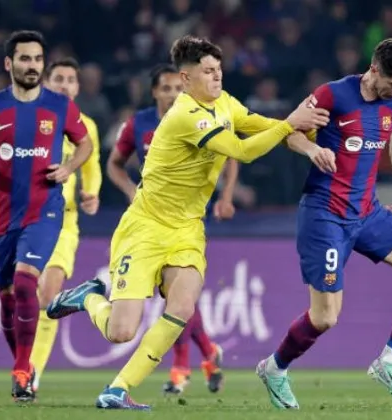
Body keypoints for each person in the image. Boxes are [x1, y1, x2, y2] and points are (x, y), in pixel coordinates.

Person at [46, 35, 329, 411]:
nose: (217, 77)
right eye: (208, 71)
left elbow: (265, 126)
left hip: (188, 229)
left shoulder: (226, 103)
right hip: (146, 227)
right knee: (121, 331)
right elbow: (242, 150)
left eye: (219, 69)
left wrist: (306, 136)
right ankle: (88, 298)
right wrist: (290, 124)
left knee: (182, 307)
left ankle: (117, 389)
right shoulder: (185, 115)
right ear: (186, 78)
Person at [256, 38, 392, 409]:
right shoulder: (333, 94)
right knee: (325, 318)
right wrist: (312, 149)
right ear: (374, 69)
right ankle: (274, 368)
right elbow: (288, 130)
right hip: (325, 215)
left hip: (368, 211)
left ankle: (389, 360)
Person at [0, 30, 93, 403]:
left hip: (45, 210)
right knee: (6, 297)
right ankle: (23, 363)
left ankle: (21, 371)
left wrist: (69, 168)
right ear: (8, 63)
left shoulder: (60, 106)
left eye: (37, 59)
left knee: (26, 282)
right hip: (1, 215)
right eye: (25, 58)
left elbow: (85, 143)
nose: (32, 65)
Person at [107, 64, 235, 395]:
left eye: (178, 88)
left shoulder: (200, 117)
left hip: (188, 218)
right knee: (177, 300)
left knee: (178, 297)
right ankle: (207, 353)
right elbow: (114, 163)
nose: (173, 94)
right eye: (166, 88)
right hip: (151, 220)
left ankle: (183, 366)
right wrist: (130, 189)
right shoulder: (139, 124)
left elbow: (231, 153)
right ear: (154, 92)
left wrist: (226, 196)